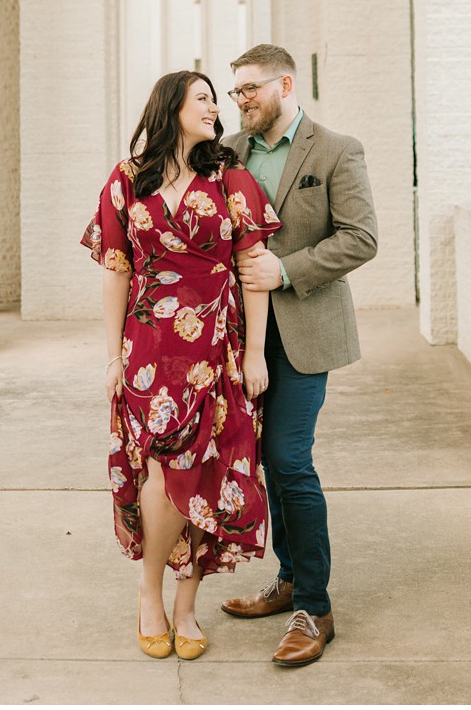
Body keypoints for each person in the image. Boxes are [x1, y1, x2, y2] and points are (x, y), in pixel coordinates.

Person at [81, 70, 280, 661]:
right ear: (171, 107)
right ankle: (149, 593)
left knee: (207, 473)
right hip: (149, 348)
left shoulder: (231, 180)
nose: (216, 107)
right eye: (203, 99)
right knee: (162, 473)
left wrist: (254, 353)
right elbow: (116, 268)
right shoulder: (125, 180)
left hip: (216, 346)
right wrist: (113, 354)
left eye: (217, 100)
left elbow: (253, 270)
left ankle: (186, 606)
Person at [216, 44, 377, 666]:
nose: (241, 100)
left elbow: (361, 237)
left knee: (289, 458)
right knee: (262, 459)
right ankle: (287, 579)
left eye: (250, 88)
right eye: (235, 92)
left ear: (285, 84)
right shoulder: (227, 153)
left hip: (307, 332)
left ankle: (315, 604)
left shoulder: (337, 149)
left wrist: (284, 270)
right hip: (238, 339)